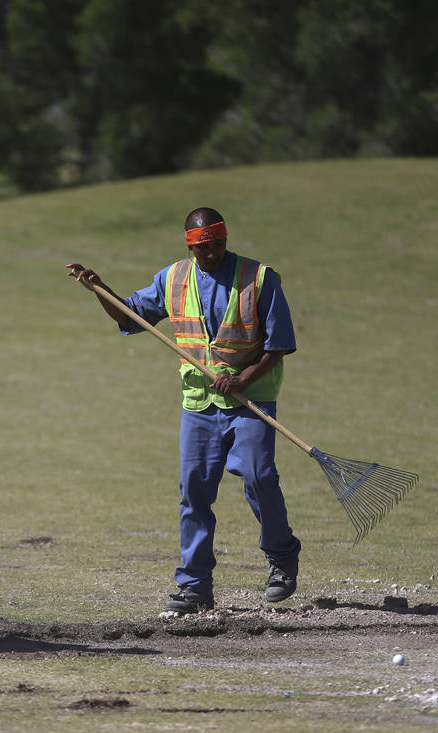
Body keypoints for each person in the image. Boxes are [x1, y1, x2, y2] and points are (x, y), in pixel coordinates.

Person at [66, 207, 301, 614]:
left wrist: (243, 378)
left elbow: (278, 343)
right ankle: (195, 588)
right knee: (193, 491)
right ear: (190, 245)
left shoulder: (260, 278)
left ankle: (282, 560)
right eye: (203, 246)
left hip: (251, 400)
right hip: (199, 403)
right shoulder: (172, 278)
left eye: (218, 244)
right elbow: (131, 316)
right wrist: (101, 289)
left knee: (259, 476)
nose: (213, 252)